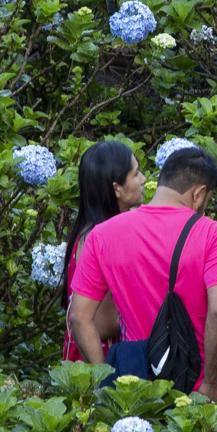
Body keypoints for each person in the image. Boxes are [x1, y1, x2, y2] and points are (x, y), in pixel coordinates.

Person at [70, 146, 217, 432]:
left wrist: (105, 379)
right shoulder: (213, 235)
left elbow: (79, 317)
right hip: (202, 387)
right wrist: (212, 385)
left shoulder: (104, 235)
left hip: (141, 390)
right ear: (199, 193)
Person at [62, 140, 146, 363]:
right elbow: (103, 324)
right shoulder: (102, 238)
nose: (143, 180)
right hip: (101, 359)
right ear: (116, 188)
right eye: (136, 174)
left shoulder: (87, 231)